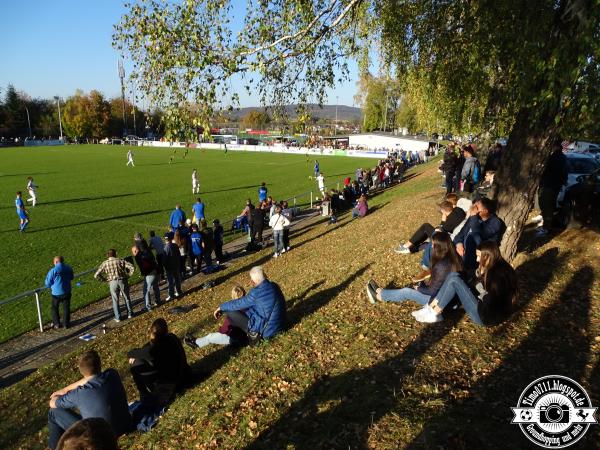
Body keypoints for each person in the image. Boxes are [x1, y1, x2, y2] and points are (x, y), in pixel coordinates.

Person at [413, 241, 517, 325]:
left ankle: (435, 313)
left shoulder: (496, 276)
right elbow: (474, 278)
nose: (477, 260)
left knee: (454, 280)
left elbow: (488, 297)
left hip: (485, 315)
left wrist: (478, 281)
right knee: (454, 276)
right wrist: (477, 275)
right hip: (486, 308)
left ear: (487, 256)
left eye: (478, 256)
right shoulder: (497, 266)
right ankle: (431, 307)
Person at [47, 350, 131, 450]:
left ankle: (55, 448)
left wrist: (56, 396)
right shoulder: (112, 374)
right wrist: (65, 389)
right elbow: (92, 378)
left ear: (81, 371)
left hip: (97, 436)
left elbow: (53, 404)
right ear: (99, 364)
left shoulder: (80, 393)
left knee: (53, 413)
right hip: (124, 425)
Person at [367, 233, 462, 306]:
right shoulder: (453, 257)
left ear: (439, 247)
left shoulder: (442, 266)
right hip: (446, 297)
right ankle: (380, 291)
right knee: (411, 288)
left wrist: (419, 288)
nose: (431, 247)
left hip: (438, 301)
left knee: (407, 291)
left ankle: (379, 296)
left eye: (433, 245)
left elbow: (432, 292)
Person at [127, 318, 193, 406]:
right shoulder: (172, 337)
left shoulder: (153, 351)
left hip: (172, 384)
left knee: (134, 365)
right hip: (184, 375)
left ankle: (143, 393)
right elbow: (146, 349)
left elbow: (130, 353)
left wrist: (134, 354)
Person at [213, 266, 286, 340]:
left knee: (231, 312)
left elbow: (237, 304)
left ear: (253, 281)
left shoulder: (256, 293)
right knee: (247, 311)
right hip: (281, 326)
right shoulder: (274, 285)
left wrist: (221, 307)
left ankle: (237, 336)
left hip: (267, 332)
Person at [185, 286, 249, 349]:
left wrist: (220, 331)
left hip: (239, 338)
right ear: (244, 293)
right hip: (249, 333)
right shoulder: (250, 305)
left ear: (233, 297)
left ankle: (196, 343)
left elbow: (225, 330)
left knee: (210, 337)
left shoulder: (233, 312)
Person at [396, 198, 466, 254]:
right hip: (455, 234)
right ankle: (412, 248)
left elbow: (440, 231)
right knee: (428, 230)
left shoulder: (448, 223)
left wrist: (443, 221)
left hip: (446, 240)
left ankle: (406, 246)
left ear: (444, 211)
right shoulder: (459, 210)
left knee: (425, 227)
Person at [453, 197, 506, 273]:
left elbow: (478, 235)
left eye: (476, 207)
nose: (473, 208)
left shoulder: (495, 222)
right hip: (463, 253)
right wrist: (459, 243)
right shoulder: (474, 218)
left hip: (478, 256)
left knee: (472, 238)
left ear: (485, 211)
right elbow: (460, 234)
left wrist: (473, 216)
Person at [94, 249, 135, 322]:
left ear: (108, 255)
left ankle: (118, 317)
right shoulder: (120, 260)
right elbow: (132, 267)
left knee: (115, 300)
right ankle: (130, 314)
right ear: (115, 254)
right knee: (126, 297)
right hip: (122, 280)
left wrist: (104, 279)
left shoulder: (105, 263)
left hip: (112, 282)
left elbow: (96, 275)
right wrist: (128, 275)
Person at [537, 142, 568, 234]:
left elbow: (546, 171)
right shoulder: (562, 157)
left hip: (549, 185)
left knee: (547, 206)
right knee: (548, 205)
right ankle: (546, 225)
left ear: (555, 147)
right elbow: (564, 172)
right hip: (553, 185)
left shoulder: (554, 157)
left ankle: (546, 228)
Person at [45, 256, 74, 329]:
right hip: (67, 291)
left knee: (54, 308)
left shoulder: (53, 270)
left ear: (56, 262)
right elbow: (71, 277)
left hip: (56, 294)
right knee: (66, 308)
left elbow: (48, 283)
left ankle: (56, 323)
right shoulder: (68, 268)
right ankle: (66, 324)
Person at [131, 245, 161, 312]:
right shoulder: (145, 252)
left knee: (146, 290)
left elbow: (142, 267)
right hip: (155, 271)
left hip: (149, 274)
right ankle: (158, 301)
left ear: (135, 251)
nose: (133, 254)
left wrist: (143, 273)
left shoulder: (137, 256)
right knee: (156, 287)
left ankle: (148, 307)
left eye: (133, 252)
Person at [163, 232, 183, 300]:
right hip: (176, 265)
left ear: (165, 239)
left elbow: (165, 259)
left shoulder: (166, 248)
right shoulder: (175, 245)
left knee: (170, 282)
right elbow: (179, 254)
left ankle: (171, 295)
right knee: (177, 279)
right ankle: (179, 291)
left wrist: (164, 266)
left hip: (169, 267)